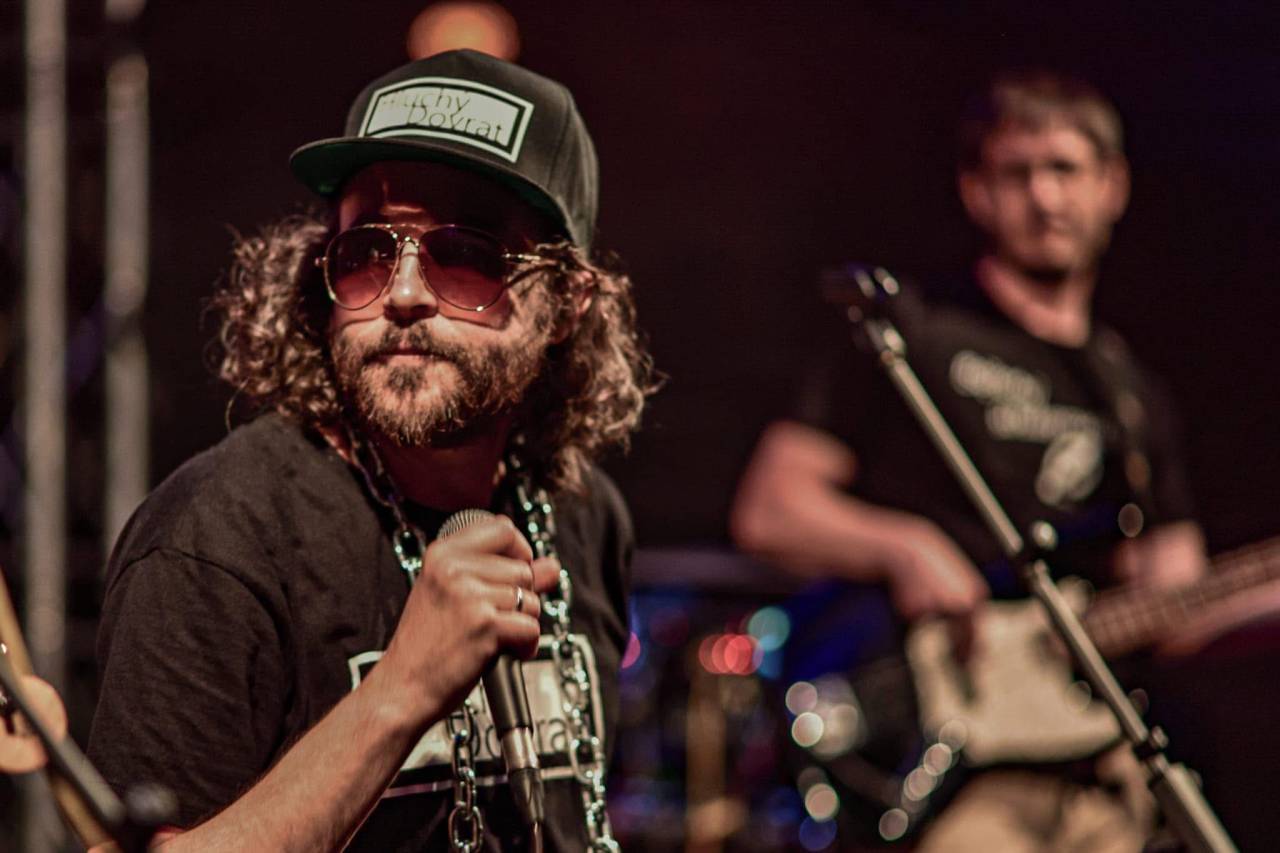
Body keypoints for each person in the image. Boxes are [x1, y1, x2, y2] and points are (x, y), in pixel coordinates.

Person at [87, 49, 653, 852]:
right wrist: (401, 690)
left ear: (565, 301)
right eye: (366, 255)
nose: (404, 294)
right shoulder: (214, 538)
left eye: (465, 254)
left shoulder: (583, 513)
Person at [732, 71, 1205, 850]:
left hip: (1091, 758)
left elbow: (1177, 589)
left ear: (1112, 186)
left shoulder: (1132, 393)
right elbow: (770, 508)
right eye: (1018, 174)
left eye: (1065, 169)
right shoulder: (912, 335)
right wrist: (903, 547)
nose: (1045, 198)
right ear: (976, 191)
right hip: (949, 764)